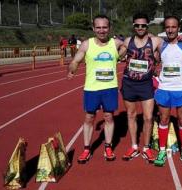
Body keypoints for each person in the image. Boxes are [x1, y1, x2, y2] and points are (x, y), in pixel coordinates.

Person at [67, 15, 124, 164]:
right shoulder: (86, 44)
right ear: (93, 29)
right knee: (89, 118)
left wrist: (122, 54)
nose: (101, 30)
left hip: (110, 87)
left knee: (109, 117)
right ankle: (87, 148)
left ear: (109, 28)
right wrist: (72, 68)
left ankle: (108, 146)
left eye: (104, 27)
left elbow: (134, 42)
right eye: (98, 27)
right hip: (91, 88)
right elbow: (76, 60)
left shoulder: (116, 42)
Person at [153, 16, 182, 167]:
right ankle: (161, 150)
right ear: (165, 28)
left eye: (173, 27)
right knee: (164, 120)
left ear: (178, 27)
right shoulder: (160, 44)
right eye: (167, 27)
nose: (170, 30)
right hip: (164, 89)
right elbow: (143, 40)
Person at [120, 13, 165, 163]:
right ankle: (134, 146)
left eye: (143, 25)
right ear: (133, 26)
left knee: (148, 117)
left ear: (147, 26)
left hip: (146, 84)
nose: (140, 28)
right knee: (131, 115)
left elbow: (171, 44)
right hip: (129, 83)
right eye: (137, 25)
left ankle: (146, 148)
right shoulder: (128, 41)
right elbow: (117, 54)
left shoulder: (155, 41)